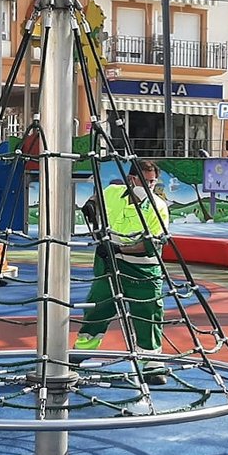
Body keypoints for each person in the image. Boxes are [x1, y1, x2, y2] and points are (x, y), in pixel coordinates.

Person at [75, 159, 171, 385]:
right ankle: (81, 351)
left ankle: (151, 363)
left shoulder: (158, 207)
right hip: (109, 265)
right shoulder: (113, 192)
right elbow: (98, 198)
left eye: (153, 182)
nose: (149, 186)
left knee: (147, 314)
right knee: (98, 306)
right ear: (132, 179)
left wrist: (118, 248)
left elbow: (150, 245)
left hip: (142, 270)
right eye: (145, 181)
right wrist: (91, 205)